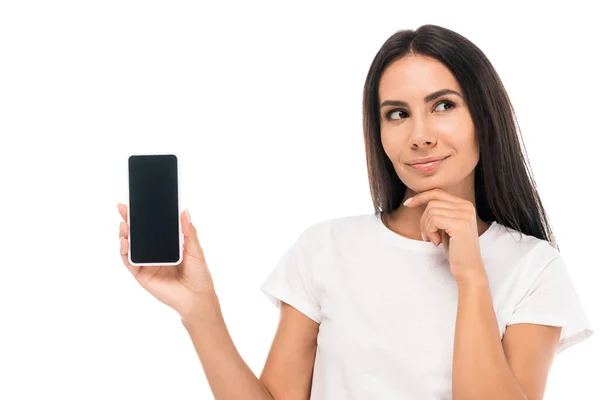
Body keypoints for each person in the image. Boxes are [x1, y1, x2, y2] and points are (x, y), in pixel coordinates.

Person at [117, 24, 594, 399]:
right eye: (397, 113)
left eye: (443, 105)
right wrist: (199, 309)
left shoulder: (534, 268)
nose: (420, 135)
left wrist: (472, 277)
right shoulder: (324, 248)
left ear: (483, 117)